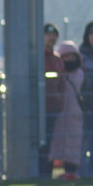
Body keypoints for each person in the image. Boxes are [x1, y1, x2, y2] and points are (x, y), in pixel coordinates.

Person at [50, 41, 85, 180]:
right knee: (55, 144)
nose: (69, 60)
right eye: (65, 57)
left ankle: (72, 171)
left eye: (72, 56)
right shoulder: (58, 74)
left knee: (73, 143)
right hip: (59, 113)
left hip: (75, 114)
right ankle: (49, 173)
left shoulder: (82, 75)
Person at [79, 22, 93, 177]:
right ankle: (82, 171)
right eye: (92, 34)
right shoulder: (81, 55)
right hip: (86, 105)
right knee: (84, 140)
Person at [41, 23, 64, 178]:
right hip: (39, 107)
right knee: (40, 141)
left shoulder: (56, 59)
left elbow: (61, 83)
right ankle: (38, 172)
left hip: (53, 107)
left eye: (54, 35)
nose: (52, 38)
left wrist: (60, 101)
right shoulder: (38, 57)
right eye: (48, 35)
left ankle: (46, 173)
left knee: (50, 142)